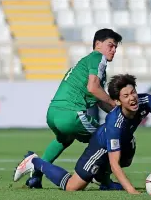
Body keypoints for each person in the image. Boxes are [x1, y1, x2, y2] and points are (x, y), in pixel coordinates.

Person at [13, 74, 151, 194]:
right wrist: (132, 191)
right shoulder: (114, 124)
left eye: (132, 92)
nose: (132, 97)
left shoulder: (146, 100)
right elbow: (114, 163)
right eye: (126, 96)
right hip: (101, 145)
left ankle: (103, 180)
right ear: (117, 101)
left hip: (126, 140)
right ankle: (34, 161)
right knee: (73, 187)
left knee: (127, 157)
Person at [26, 28, 123, 190]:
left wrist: (117, 112)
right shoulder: (98, 58)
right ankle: (104, 182)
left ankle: (35, 177)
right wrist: (115, 104)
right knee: (108, 137)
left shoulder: (86, 64)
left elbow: (98, 99)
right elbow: (93, 88)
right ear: (98, 44)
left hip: (53, 113)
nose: (113, 50)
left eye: (115, 48)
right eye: (110, 45)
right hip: (71, 114)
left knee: (64, 139)